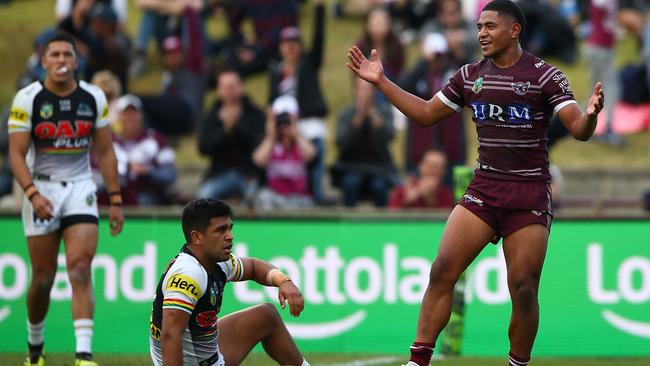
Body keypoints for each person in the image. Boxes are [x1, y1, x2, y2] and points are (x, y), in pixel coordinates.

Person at [346, 1, 605, 365]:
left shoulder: (546, 76)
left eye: (490, 26)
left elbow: (578, 129)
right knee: (442, 271)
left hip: (528, 195)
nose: (481, 32)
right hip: (483, 190)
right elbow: (423, 114)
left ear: (514, 30)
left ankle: (517, 362)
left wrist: (591, 116)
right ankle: (418, 360)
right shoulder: (468, 76)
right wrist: (381, 81)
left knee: (524, 289)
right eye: (479, 26)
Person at [8, 31, 124, 366]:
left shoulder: (93, 97)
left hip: (80, 188)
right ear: (43, 61)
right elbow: (16, 155)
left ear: (77, 61)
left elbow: (105, 150)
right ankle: (35, 345)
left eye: (67, 55)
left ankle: (84, 354)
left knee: (79, 268)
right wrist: (31, 193)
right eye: (54, 55)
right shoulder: (27, 99)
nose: (61, 60)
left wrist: (114, 199)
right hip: (40, 187)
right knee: (42, 278)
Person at [149, 198, 310, 366]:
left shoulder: (215, 261)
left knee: (266, 315)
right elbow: (170, 335)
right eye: (221, 230)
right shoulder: (188, 274)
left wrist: (284, 281)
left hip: (207, 354)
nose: (230, 236)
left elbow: (254, 267)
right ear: (197, 237)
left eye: (230, 228)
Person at [197, 68, 265, 203]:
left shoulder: (255, 114)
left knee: (254, 199)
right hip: (219, 174)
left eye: (233, 86)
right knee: (204, 197)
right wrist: (225, 131)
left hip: (248, 174)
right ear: (219, 90)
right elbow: (203, 148)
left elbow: (257, 146)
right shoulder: (211, 115)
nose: (229, 91)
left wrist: (236, 127)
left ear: (242, 87)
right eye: (225, 87)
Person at [333, 76, 396, 207]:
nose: (365, 93)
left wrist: (373, 115)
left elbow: (389, 136)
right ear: (355, 90)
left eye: (369, 89)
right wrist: (359, 117)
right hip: (350, 166)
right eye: (361, 89)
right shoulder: (345, 114)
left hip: (379, 167)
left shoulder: (384, 111)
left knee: (379, 186)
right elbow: (341, 142)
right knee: (350, 183)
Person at [252, 96, 317, 210]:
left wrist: (295, 133)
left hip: (299, 198)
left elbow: (311, 155)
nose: (284, 122)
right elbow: (258, 160)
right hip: (275, 196)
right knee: (263, 197)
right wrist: (271, 135)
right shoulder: (269, 141)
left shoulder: (302, 139)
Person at [111, 94, 177, 206]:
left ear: (141, 115)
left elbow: (169, 175)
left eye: (134, 113)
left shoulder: (157, 140)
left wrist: (148, 172)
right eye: (126, 113)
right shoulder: (110, 142)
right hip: (116, 196)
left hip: (146, 196)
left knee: (143, 200)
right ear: (118, 116)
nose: (130, 117)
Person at [388, 149, 454, 210]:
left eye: (440, 167)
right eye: (432, 166)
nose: (435, 171)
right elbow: (389, 216)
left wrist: (431, 200)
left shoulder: (447, 194)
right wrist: (410, 198)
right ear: (420, 166)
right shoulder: (403, 190)